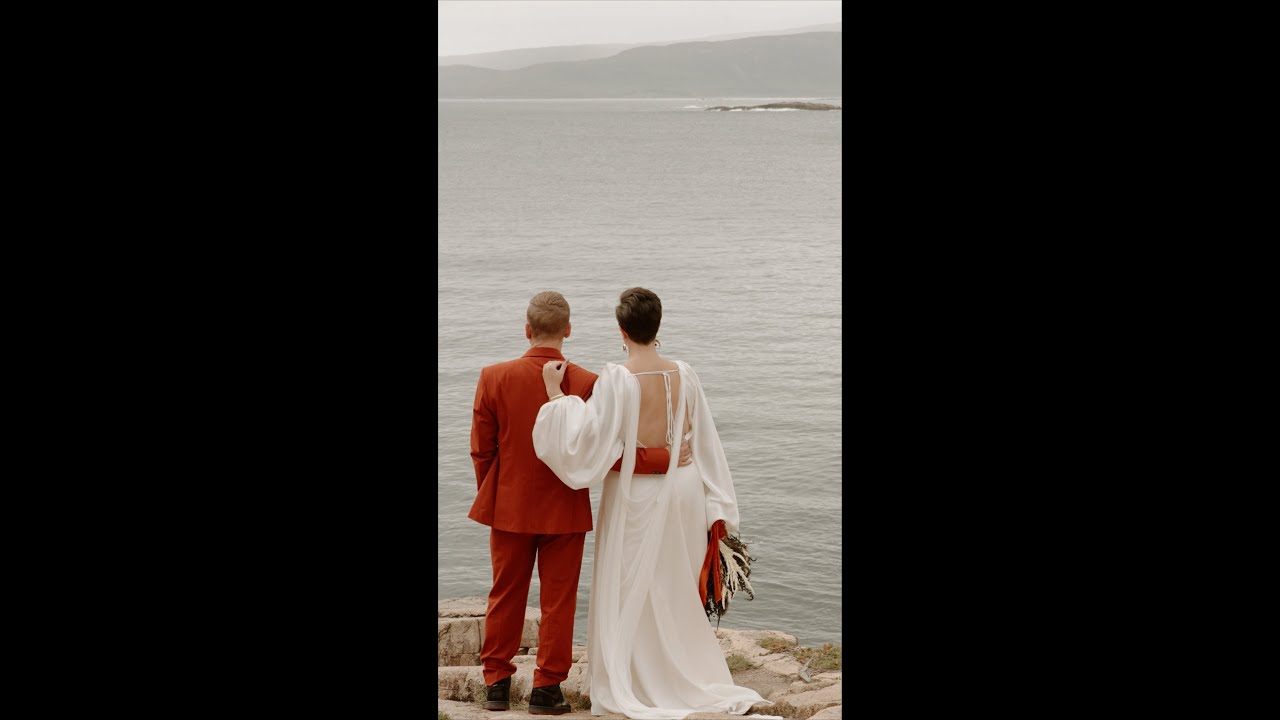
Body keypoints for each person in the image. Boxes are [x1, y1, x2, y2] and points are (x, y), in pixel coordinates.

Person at [533, 288, 774, 720]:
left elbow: (588, 443)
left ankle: (637, 677)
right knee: (675, 581)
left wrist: (555, 397)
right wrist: (718, 506)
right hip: (684, 490)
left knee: (630, 584)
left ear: (621, 331)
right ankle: (682, 670)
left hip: (636, 493)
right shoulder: (686, 373)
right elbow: (706, 441)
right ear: (656, 326)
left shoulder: (616, 378)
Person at [468, 290, 692, 715]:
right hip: (564, 509)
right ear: (568, 331)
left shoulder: (492, 376)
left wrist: (497, 493)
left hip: (508, 507)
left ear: (527, 329)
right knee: (558, 600)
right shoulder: (588, 382)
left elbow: (482, 450)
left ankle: (496, 682)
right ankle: (547, 689)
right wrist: (664, 456)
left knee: (505, 593)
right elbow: (609, 449)